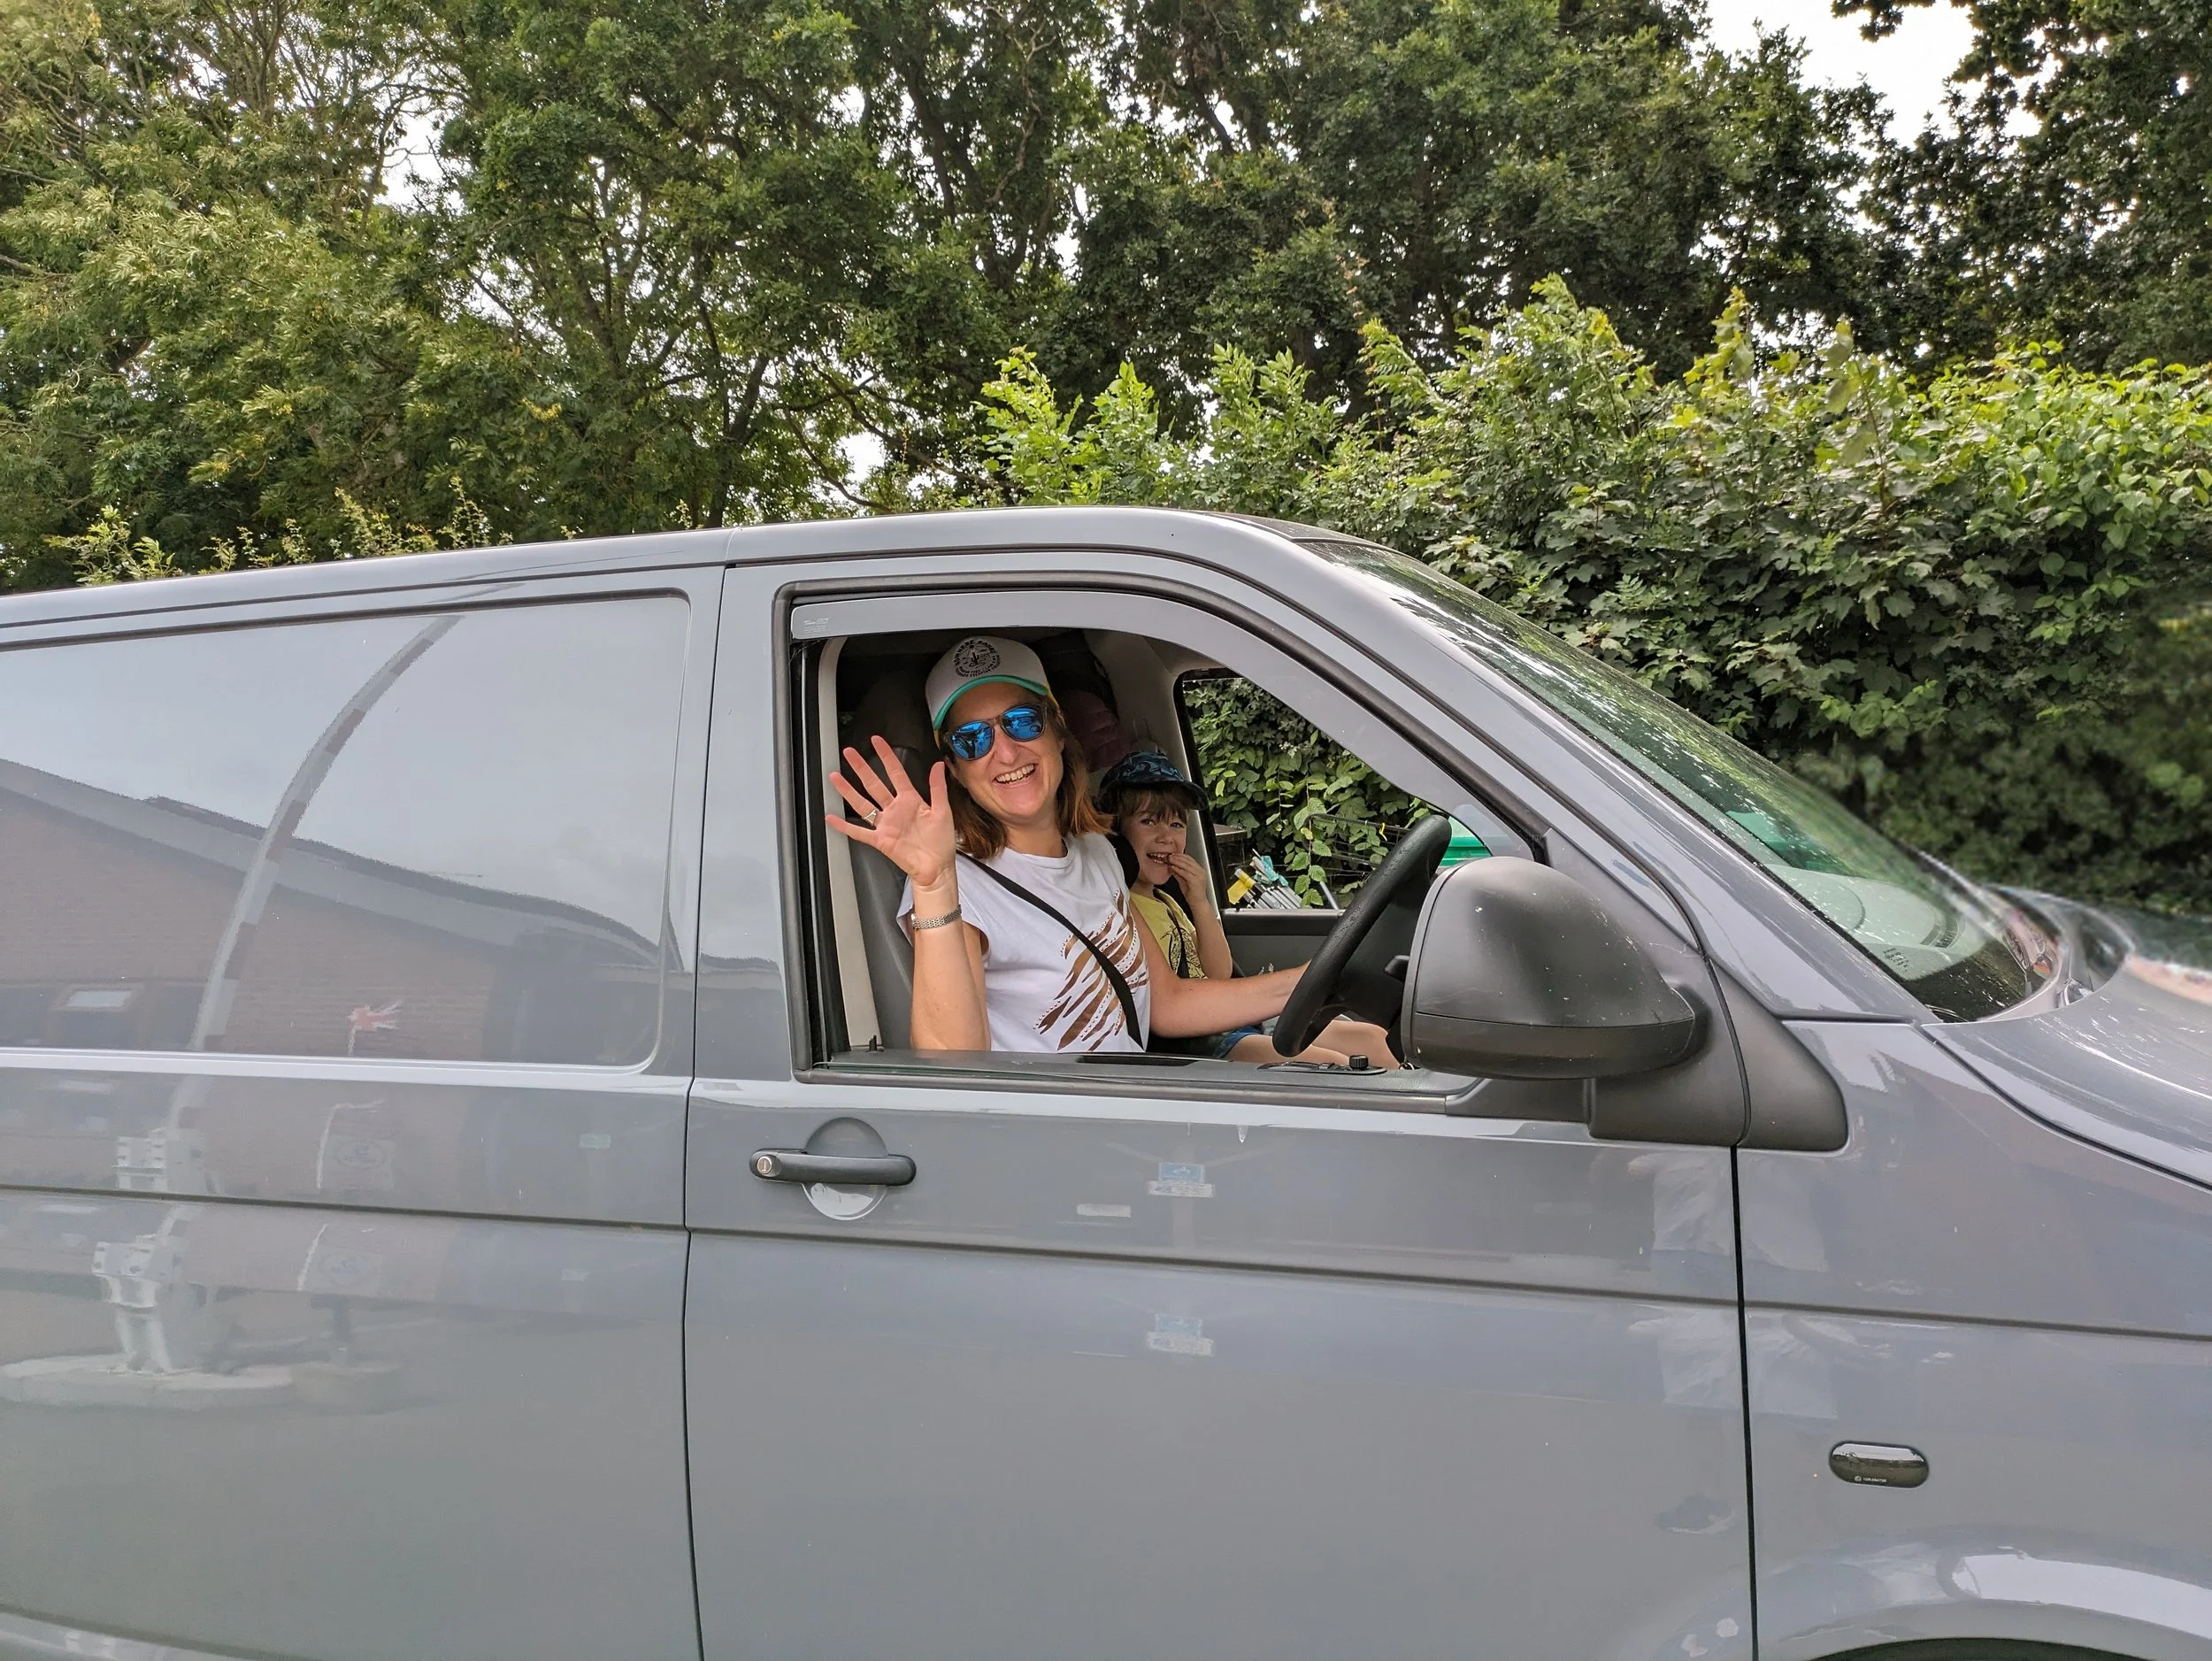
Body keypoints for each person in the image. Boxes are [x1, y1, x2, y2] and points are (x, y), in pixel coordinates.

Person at [825, 635, 1307, 1054]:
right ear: (956, 770)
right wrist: (933, 883)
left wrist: (1312, 982)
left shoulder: (1096, 850)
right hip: (1062, 1134)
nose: (1006, 752)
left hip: (1135, 1102)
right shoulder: (954, 884)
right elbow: (955, 1065)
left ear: (1058, 731)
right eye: (972, 739)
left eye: (1022, 721)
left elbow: (1169, 1004)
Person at [1096, 750, 1400, 1069]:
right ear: (1115, 832)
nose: (1166, 837)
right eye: (1148, 822)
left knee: (1372, 1039)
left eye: (1176, 824)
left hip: (1228, 1022)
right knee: (1332, 1066)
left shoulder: (1168, 902)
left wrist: (1199, 902)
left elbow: (1216, 974)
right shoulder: (1123, 908)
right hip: (1197, 1042)